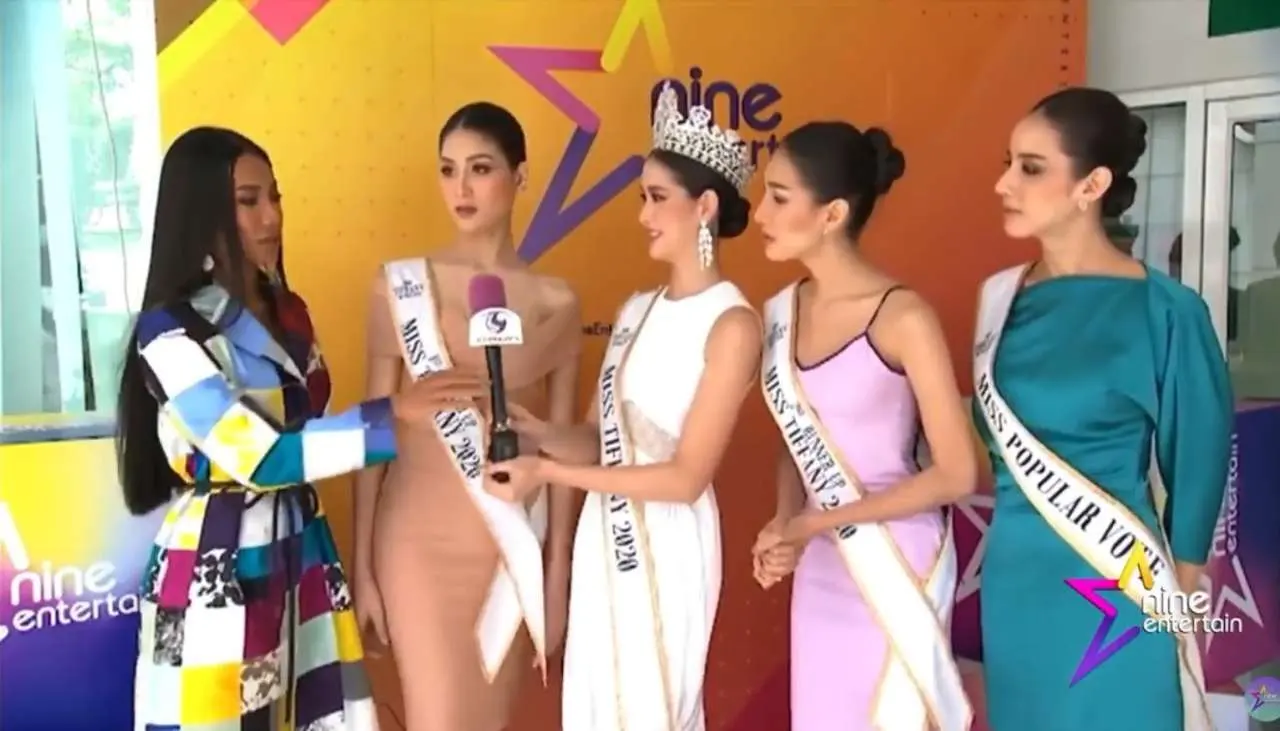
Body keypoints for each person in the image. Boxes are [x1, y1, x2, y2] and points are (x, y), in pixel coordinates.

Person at [117, 127, 482, 731]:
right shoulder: (171, 330)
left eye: (274, 197)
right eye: (248, 201)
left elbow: (307, 426)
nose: (271, 217)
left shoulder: (289, 311)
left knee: (320, 715)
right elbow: (260, 458)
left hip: (302, 549)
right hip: (218, 567)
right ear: (201, 213)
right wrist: (393, 414)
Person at [483, 82, 762, 731]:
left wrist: (548, 472)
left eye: (658, 198)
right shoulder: (637, 309)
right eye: (643, 198)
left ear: (705, 206)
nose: (643, 215)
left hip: (666, 546)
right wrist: (536, 437)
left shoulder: (732, 324)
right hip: (603, 541)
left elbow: (685, 477)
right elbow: (599, 438)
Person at [974, 87, 1232, 730]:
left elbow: (1197, 469)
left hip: (1118, 583)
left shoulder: (1167, 310)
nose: (1005, 183)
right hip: (1014, 587)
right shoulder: (998, 301)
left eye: (1031, 168)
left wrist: (1177, 604)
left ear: (1091, 185)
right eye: (1008, 163)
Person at [354, 102, 582, 731]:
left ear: (520, 176)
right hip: (416, 540)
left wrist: (556, 574)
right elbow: (374, 431)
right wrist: (361, 564)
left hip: (508, 545)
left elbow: (562, 455)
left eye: (480, 168)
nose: (461, 187)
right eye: (448, 169)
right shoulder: (397, 285)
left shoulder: (558, 301)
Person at [749, 121, 976, 731]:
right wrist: (784, 521)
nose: (761, 212)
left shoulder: (904, 318)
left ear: (832, 214)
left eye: (779, 197)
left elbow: (957, 473)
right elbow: (793, 443)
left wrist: (815, 522)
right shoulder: (781, 313)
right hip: (821, 564)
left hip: (896, 559)